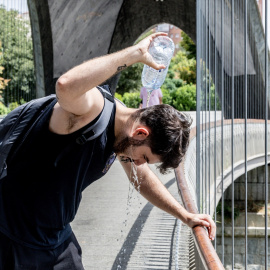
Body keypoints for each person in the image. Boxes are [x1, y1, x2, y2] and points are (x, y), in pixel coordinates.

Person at [0, 32, 215, 269]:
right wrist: (134, 55)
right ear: (140, 133)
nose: (140, 164)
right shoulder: (92, 110)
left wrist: (185, 216)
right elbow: (65, 85)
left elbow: (142, 180)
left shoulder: (122, 137)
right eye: (144, 157)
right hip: (14, 239)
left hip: (57, 240)